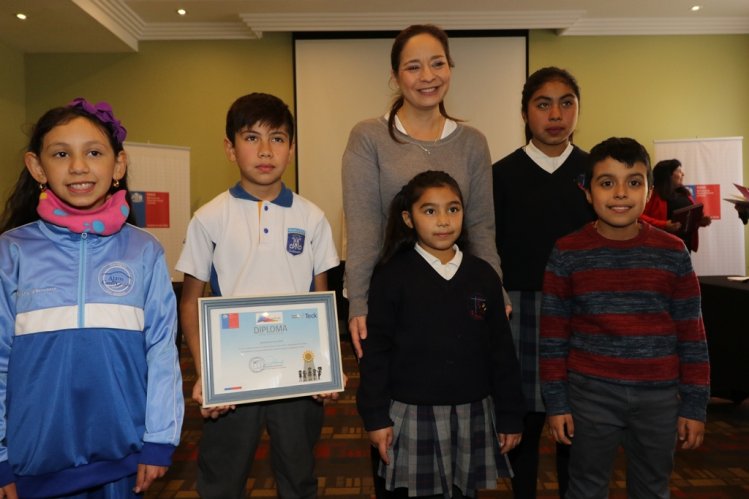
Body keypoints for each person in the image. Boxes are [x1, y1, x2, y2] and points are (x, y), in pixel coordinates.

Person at [0, 98, 184, 498]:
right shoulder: (11, 252)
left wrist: (159, 438)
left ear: (118, 165)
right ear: (37, 167)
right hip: (31, 462)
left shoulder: (144, 251)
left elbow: (161, 352)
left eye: (94, 152)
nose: (79, 167)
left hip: (124, 458)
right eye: (61, 154)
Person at [176, 92, 340, 498]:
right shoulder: (209, 217)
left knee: (299, 476)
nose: (265, 151)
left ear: (292, 149)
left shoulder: (312, 217)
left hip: (298, 377)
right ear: (230, 149)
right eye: (251, 138)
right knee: (221, 479)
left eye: (278, 139)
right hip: (231, 373)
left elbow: (322, 299)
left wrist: (325, 366)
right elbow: (190, 301)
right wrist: (205, 372)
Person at [540, 137, 710, 499]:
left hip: (659, 398)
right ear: (588, 192)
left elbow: (692, 336)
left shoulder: (673, 252)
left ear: (649, 192)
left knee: (652, 488)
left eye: (633, 182)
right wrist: (556, 403)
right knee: (585, 487)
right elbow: (553, 336)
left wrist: (695, 404)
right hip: (590, 395)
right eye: (607, 183)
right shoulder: (567, 252)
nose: (620, 193)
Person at [342, 23, 507, 361]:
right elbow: (363, 230)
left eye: (437, 63)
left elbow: (481, 229)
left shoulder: (473, 143)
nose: (428, 76)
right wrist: (358, 302)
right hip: (395, 297)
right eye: (413, 67)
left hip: (459, 293)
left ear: (450, 67)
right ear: (395, 76)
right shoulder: (368, 137)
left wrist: (497, 289)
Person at [357, 170, 525, 499]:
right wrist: (376, 417)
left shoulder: (483, 275)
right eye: (430, 211)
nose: (444, 220)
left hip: (471, 411)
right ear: (408, 218)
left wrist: (510, 416)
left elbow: (502, 352)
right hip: (411, 414)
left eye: (453, 208)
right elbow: (376, 353)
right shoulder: (391, 275)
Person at [491, 66, 594, 499]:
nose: (556, 114)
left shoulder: (595, 172)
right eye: (543, 103)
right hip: (521, 309)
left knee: (580, 425)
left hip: (585, 313)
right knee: (525, 426)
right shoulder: (499, 175)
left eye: (566, 103)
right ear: (525, 112)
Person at [640, 158, 711, 251]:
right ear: (667, 175)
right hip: (662, 248)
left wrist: (700, 221)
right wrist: (664, 225)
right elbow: (639, 217)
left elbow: (689, 220)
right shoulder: (652, 194)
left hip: (685, 247)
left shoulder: (685, 194)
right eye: (679, 171)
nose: (683, 174)